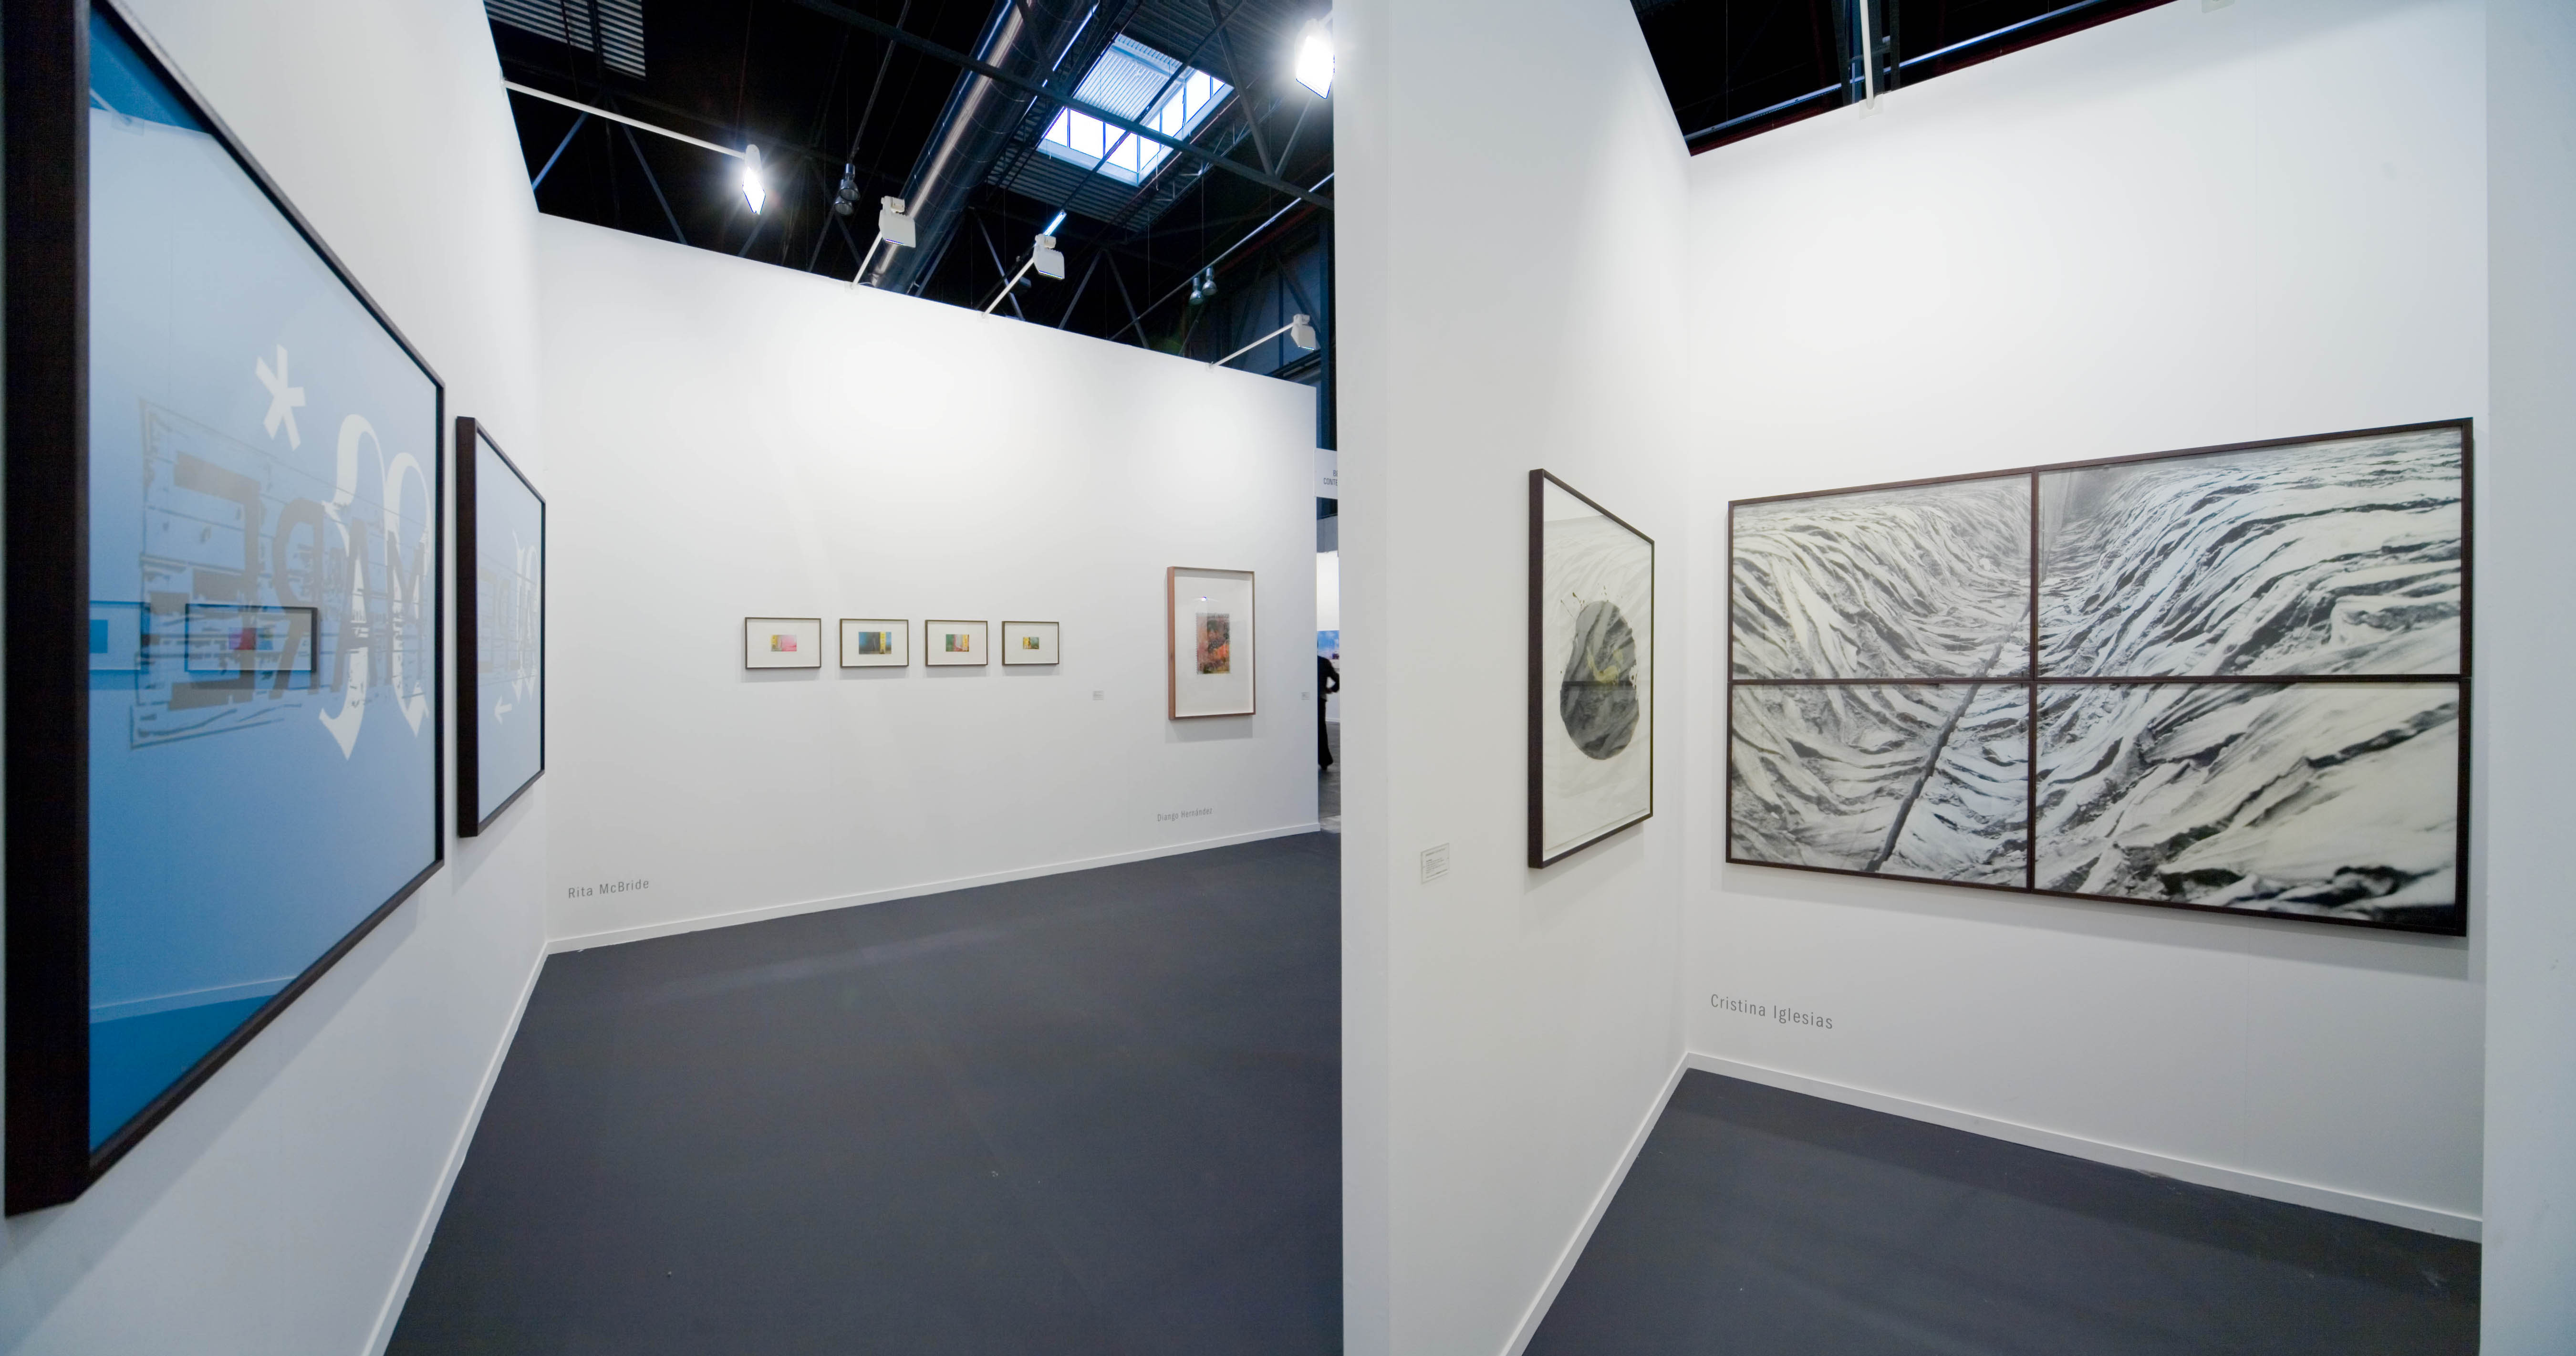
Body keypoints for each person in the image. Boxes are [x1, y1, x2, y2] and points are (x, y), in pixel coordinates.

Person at [1318, 652, 1341, 770]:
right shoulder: (1324, 662)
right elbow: (1338, 679)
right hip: (1320, 699)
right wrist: (1332, 689)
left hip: (1304, 702)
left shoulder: (1302, 663)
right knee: (1321, 730)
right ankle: (1324, 761)